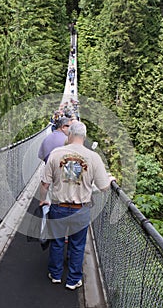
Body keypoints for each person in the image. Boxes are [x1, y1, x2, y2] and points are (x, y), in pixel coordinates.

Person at [39, 122, 116, 290]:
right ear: (84, 136)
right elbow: (103, 187)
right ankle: (73, 280)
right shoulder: (93, 157)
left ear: (69, 135)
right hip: (80, 209)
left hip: (58, 206)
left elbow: (45, 183)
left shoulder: (56, 154)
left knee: (57, 242)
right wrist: (109, 180)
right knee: (77, 245)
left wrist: (43, 199)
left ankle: (56, 274)